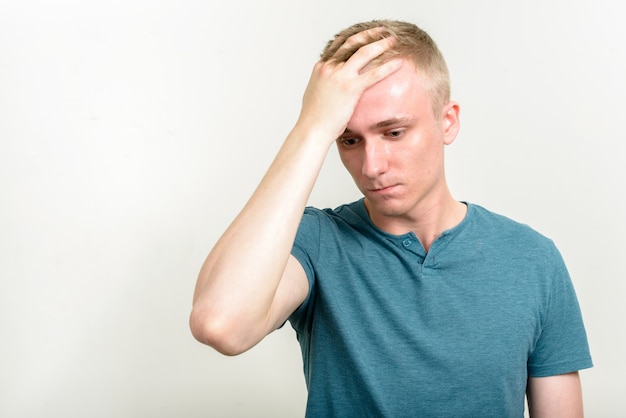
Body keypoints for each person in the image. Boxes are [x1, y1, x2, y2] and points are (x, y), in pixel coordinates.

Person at [190, 19, 593, 417]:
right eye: (349, 139)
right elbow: (221, 325)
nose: (372, 165)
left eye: (394, 132)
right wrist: (312, 127)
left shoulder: (532, 259)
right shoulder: (317, 242)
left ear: (447, 121)